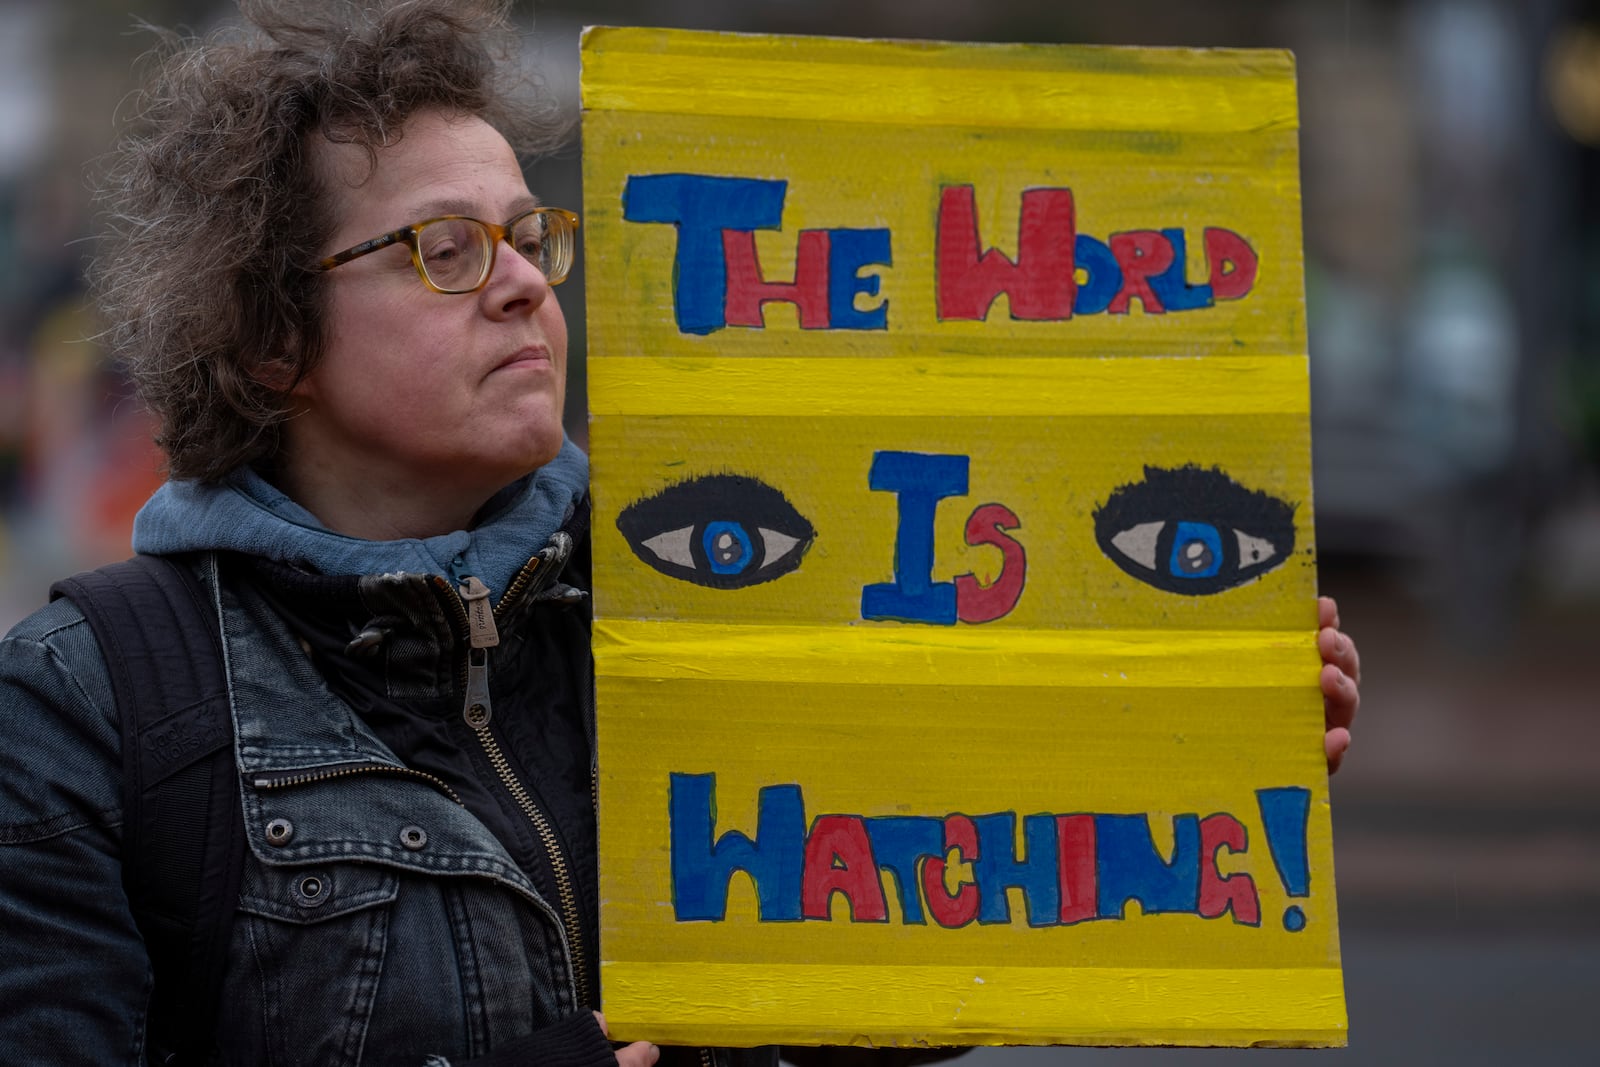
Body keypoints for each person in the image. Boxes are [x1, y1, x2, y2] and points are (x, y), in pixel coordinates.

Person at [0, 2, 1362, 1065]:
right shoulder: (91, 708)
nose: (527, 284)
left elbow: (838, 1007)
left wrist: (1163, 772)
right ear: (271, 337)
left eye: (530, 235)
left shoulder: (699, 596)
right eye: (445, 250)